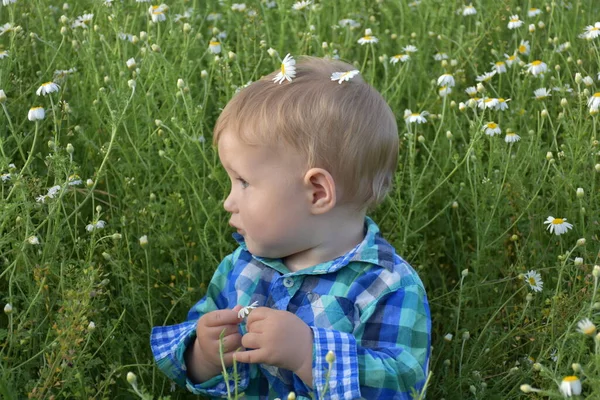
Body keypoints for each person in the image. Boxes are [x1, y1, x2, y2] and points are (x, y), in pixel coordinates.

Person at [150, 55, 431, 400]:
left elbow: (402, 386)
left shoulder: (385, 286)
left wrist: (307, 353)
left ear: (316, 192)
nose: (228, 201)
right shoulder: (242, 268)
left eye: (243, 183)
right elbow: (198, 349)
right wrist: (205, 355)